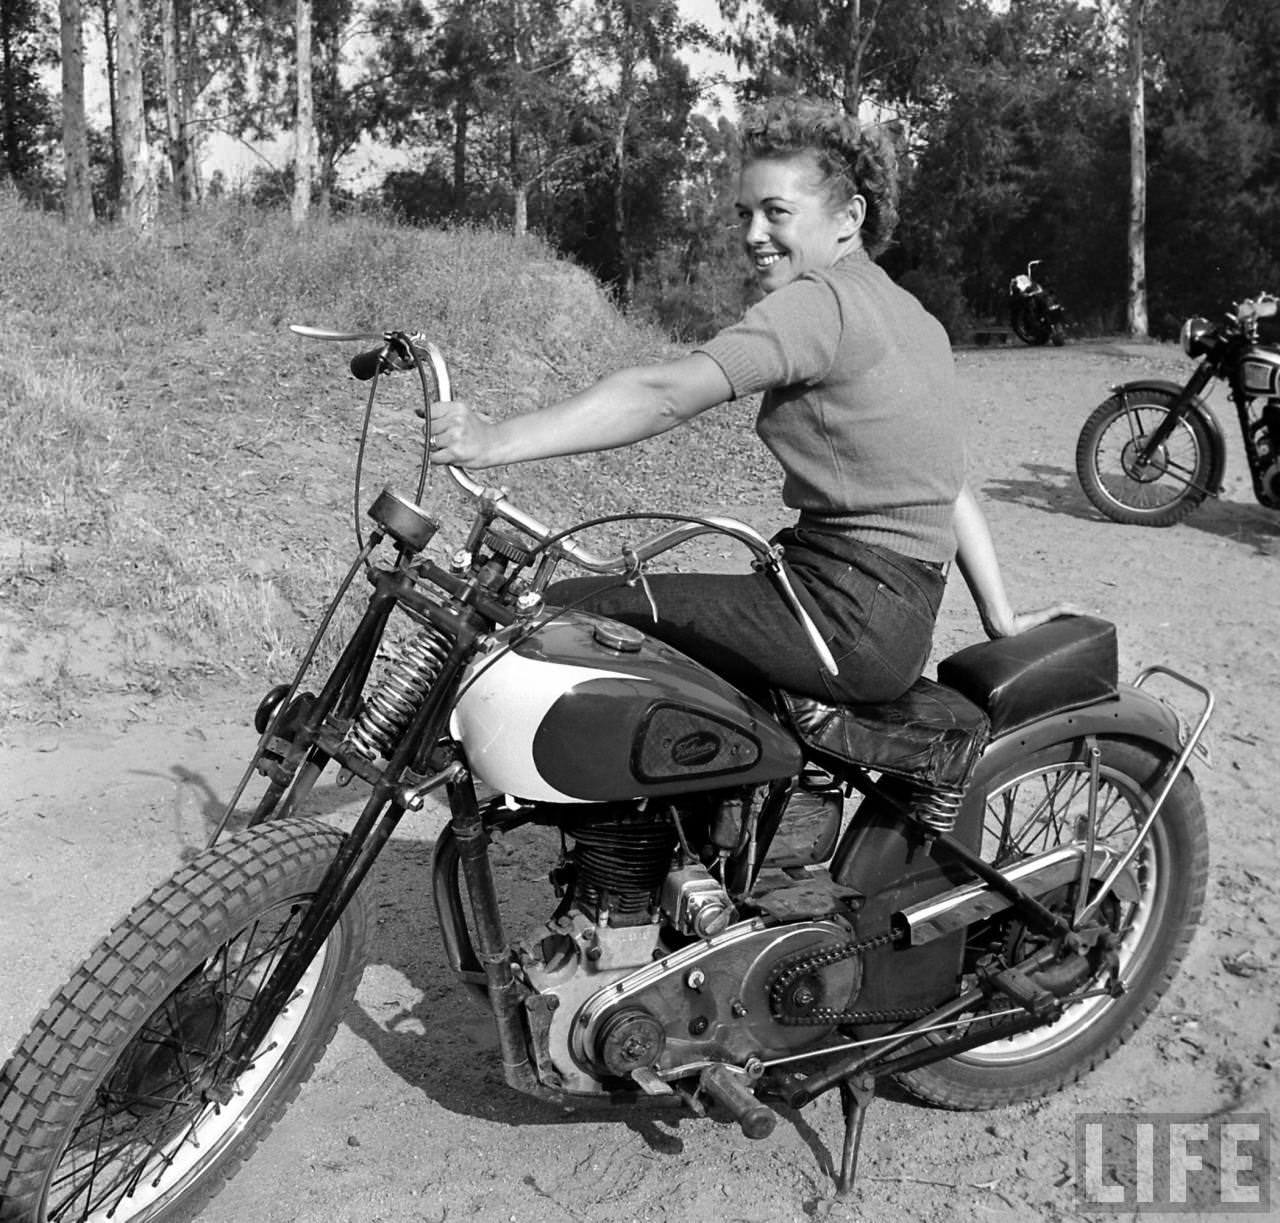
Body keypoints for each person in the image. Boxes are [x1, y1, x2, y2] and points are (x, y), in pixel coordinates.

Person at [425, 96, 1074, 712]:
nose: (754, 233)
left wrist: (493, 441)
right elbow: (947, 485)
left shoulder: (820, 303)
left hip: (841, 612)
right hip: (891, 617)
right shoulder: (916, 318)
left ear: (849, 217)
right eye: (745, 214)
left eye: (777, 212)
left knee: (571, 609)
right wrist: (1000, 615)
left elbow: (665, 396)